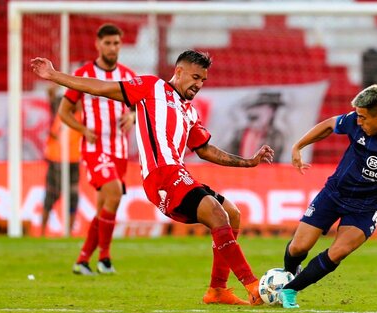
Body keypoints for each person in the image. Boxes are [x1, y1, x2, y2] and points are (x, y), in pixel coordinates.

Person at [31, 49, 274, 305]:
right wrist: (54, 75)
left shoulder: (189, 112)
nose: (199, 85)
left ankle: (217, 290)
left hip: (178, 174)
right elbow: (101, 87)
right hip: (160, 176)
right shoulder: (150, 87)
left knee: (232, 214)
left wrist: (248, 162)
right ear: (178, 71)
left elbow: (204, 150)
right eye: (195, 77)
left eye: (203, 80)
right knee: (217, 214)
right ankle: (254, 286)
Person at [279, 84, 377, 309]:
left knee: (339, 251)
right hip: (335, 193)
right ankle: (289, 274)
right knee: (298, 247)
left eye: (363, 118)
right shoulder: (356, 120)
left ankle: (290, 290)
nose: (358, 122)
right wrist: (298, 146)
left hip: (369, 207)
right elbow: (329, 125)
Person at [57, 24, 136, 275]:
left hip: (119, 149)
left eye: (116, 43)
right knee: (113, 194)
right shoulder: (83, 74)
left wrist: (132, 115)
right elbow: (63, 112)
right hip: (95, 147)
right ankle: (105, 258)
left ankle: (82, 261)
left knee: (105, 204)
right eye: (108, 43)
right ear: (97, 44)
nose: (112, 48)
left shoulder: (127, 75)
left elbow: (140, 106)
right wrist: (83, 130)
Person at [41, 84, 82, 236]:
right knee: (50, 196)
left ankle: (69, 233)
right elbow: (50, 92)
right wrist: (60, 80)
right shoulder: (59, 109)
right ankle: (42, 232)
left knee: (73, 198)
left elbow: (81, 103)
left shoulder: (80, 116)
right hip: (55, 159)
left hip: (72, 161)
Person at [228, 92, 285, 162]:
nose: (252, 111)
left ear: (272, 110)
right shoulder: (240, 133)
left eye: (259, 106)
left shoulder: (276, 136)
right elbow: (226, 155)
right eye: (249, 107)